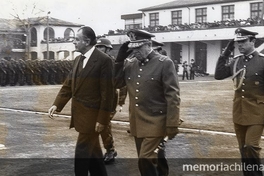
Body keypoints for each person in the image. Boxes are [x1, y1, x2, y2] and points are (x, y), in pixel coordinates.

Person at [48, 26, 114, 176]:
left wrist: (102, 120)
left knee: (82, 155)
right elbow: (68, 85)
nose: (73, 42)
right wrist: (56, 104)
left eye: (77, 39)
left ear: (87, 41)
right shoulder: (78, 59)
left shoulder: (104, 61)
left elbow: (107, 93)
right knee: (95, 155)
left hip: (93, 118)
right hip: (80, 115)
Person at [115, 29, 181, 176]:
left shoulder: (164, 63)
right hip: (138, 122)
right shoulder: (131, 64)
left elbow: (173, 96)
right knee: (154, 158)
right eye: (132, 49)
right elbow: (116, 83)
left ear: (148, 44)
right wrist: (119, 61)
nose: (135, 52)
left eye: (138, 48)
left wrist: (172, 123)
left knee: (145, 159)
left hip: (157, 121)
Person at [215, 28, 264, 176]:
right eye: (237, 42)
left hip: (258, 112)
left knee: (251, 146)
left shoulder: (262, 61)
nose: (240, 45)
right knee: (243, 148)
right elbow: (219, 74)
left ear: (253, 41)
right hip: (239, 111)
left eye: (243, 41)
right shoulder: (236, 61)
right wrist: (226, 51)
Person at [95, 37, 128, 164]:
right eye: (97, 47)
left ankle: (110, 150)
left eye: (101, 47)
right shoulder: (95, 62)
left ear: (108, 49)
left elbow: (120, 83)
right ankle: (104, 150)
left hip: (109, 99)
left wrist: (121, 102)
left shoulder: (113, 63)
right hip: (96, 99)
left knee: (104, 125)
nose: (98, 49)